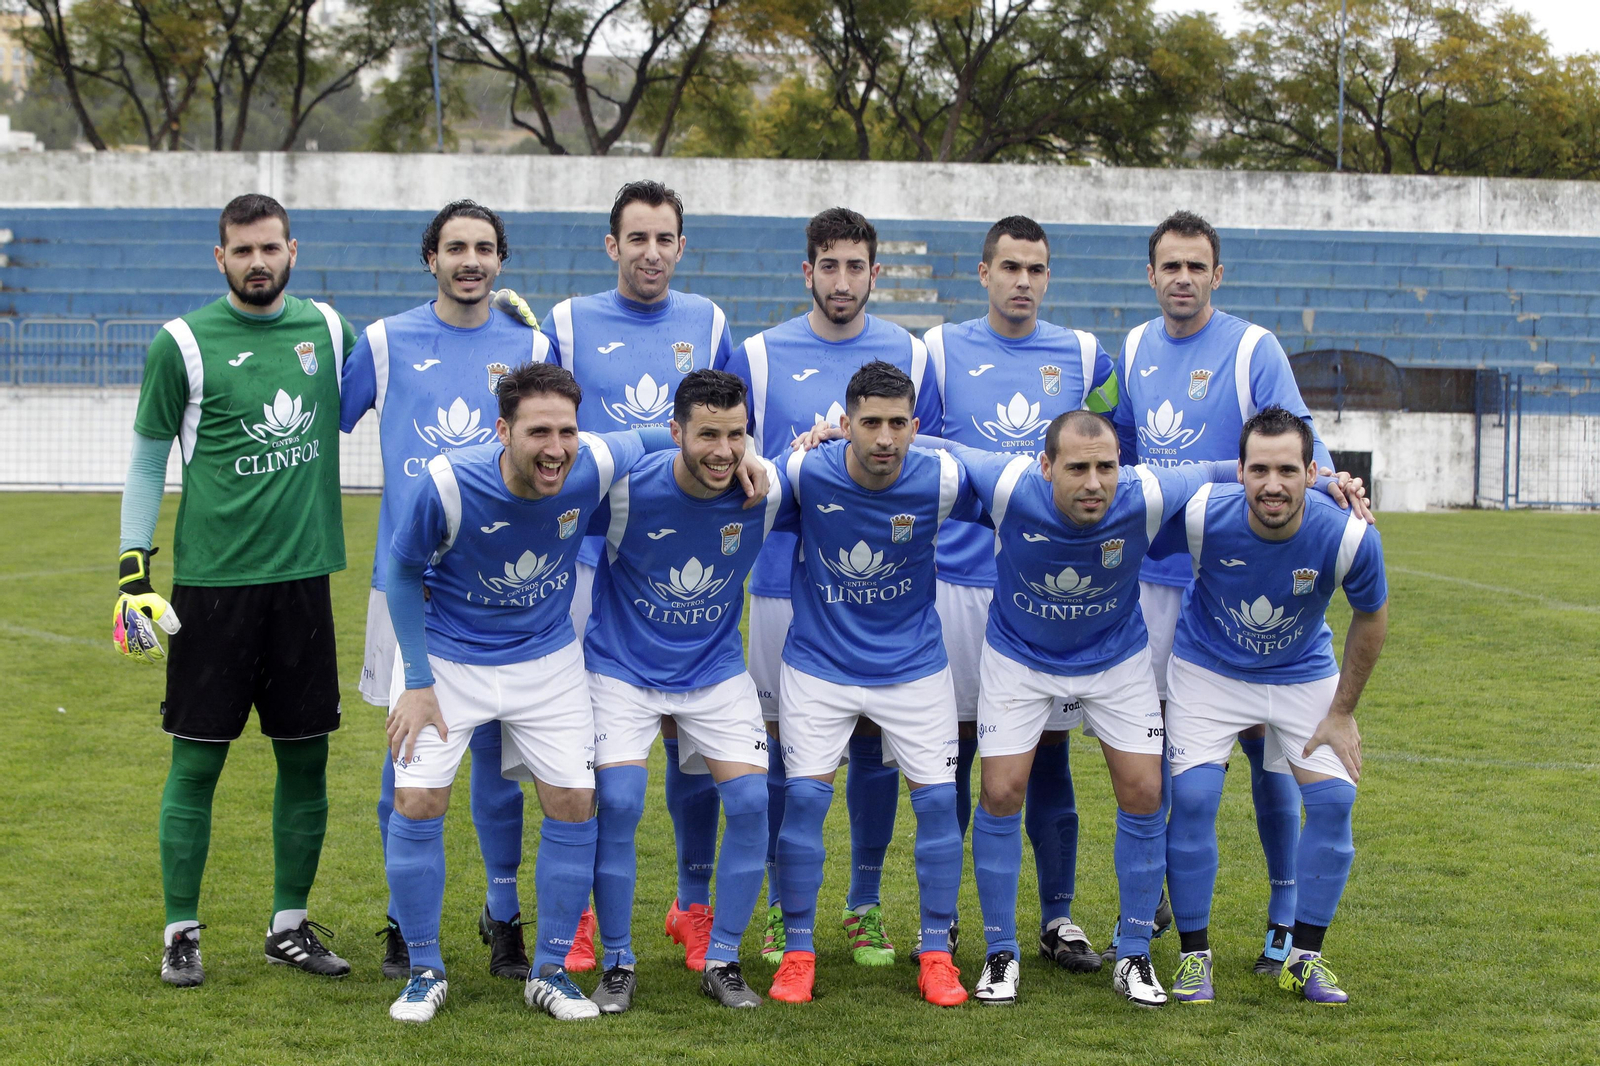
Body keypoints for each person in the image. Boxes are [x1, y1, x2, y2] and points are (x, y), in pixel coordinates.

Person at [914, 412, 1367, 1008]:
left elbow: (1219, 468)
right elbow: (938, 443)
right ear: (1045, 466)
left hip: (1115, 656)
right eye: (1077, 467)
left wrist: (1327, 477)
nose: (1094, 482)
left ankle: (1132, 954)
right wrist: (842, 435)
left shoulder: (1145, 492)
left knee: (1145, 791)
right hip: (1019, 657)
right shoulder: (1006, 484)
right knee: (1000, 792)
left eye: (1106, 466)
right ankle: (1002, 953)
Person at [381, 362, 769, 1024]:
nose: (555, 447)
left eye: (566, 430)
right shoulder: (448, 483)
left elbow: (662, 436)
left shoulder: (591, 462)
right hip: (447, 659)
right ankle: (423, 971)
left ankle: (552, 972)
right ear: (503, 431)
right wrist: (416, 682)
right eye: (538, 432)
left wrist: (745, 450)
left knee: (574, 801)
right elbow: (399, 568)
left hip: (545, 658)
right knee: (417, 800)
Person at [114, 193, 355, 987]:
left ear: (294, 249)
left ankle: (289, 925)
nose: (258, 261)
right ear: (219, 258)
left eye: (271, 248)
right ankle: (179, 931)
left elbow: (410, 382)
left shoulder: (328, 330)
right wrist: (131, 567)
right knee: (195, 766)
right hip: (212, 592)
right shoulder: (180, 343)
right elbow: (150, 457)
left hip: (303, 588)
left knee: (307, 763)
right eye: (243, 250)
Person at [1108, 210, 1339, 972]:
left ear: (1217, 274)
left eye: (1195, 266)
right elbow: (1128, 457)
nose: (1182, 278)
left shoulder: (1251, 348)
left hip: (1240, 575)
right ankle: (1157, 900)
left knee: (1268, 751)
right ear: (1150, 274)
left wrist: (1335, 486)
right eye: (1169, 266)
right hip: (1156, 580)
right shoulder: (1135, 346)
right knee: (1166, 752)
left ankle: (1281, 909)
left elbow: (1300, 436)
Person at [719, 207, 941, 967]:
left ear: (874, 273)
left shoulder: (909, 350)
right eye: (828, 265)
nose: (841, 281)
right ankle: (787, 910)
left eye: (856, 266)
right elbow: (734, 454)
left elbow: (919, 452)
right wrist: (801, 447)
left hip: (878, 592)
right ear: (805, 270)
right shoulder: (761, 351)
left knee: (877, 748)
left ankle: (865, 903)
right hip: (782, 589)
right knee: (788, 756)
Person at [340, 199, 551, 982]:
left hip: (504, 591)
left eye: (485, 248)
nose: (471, 261)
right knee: (404, 763)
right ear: (430, 257)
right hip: (407, 586)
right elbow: (323, 420)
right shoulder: (386, 342)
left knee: (498, 765)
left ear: (501, 260)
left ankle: (503, 917)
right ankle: (401, 921)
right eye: (456, 247)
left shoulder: (531, 343)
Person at [919, 214, 1129, 969]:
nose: (1023, 282)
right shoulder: (938, 350)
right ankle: (940, 921)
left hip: (1049, 591)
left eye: (1036, 269)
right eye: (1009, 267)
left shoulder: (1083, 354)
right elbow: (922, 452)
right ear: (983, 273)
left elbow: (1114, 450)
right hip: (957, 583)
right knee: (957, 754)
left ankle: (1058, 918)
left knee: (1049, 754)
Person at [540, 180, 734, 971]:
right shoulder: (567, 323)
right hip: (589, 560)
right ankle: (583, 910)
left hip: (685, 569)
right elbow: (549, 433)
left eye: (666, 239)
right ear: (611, 245)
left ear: (681, 247)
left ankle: (692, 907)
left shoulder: (711, 322)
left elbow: (725, 429)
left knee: (694, 743)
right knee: (591, 751)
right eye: (637, 239)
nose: (651, 253)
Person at [1158, 406, 1387, 1006]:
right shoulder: (1205, 513)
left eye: (1287, 469)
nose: (1272, 484)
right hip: (1209, 670)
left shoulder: (1350, 535)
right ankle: (1192, 958)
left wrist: (1341, 712)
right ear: (1239, 470)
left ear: (1313, 472)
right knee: (1197, 797)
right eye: (1258, 469)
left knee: (1335, 802)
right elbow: (1125, 528)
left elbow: (1373, 617)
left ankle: (1302, 959)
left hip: (1301, 671)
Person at [767, 361, 971, 1008]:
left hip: (913, 668)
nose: (884, 439)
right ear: (844, 424)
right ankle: (797, 950)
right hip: (818, 667)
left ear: (915, 426)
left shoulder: (938, 476)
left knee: (938, 805)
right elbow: (732, 477)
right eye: (870, 424)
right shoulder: (805, 471)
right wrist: (788, 445)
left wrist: (937, 443)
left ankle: (936, 952)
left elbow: (1019, 474)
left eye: (897, 425)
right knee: (804, 803)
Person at [585, 370, 780, 1013]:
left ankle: (723, 958)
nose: (723, 450)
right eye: (707, 435)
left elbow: (849, 468)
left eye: (735, 434)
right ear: (675, 433)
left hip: (714, 670)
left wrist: (825, 435)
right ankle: (616, 960)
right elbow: (536, 498)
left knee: (752, 802)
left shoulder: (766, 490)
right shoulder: (621, 493)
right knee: (617, 800)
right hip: (621, 670)